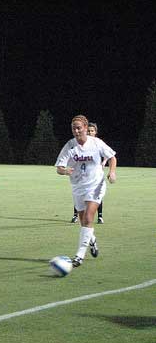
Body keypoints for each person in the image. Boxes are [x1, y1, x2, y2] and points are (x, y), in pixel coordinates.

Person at [55, 115, 117, 268]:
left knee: (89, 217)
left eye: (79, 128)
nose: (76, 131)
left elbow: (112, 157)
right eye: (73, 128)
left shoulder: (96, 143)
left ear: (85, 127)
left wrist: (112, 172)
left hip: (96, 185)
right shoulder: (70, 146)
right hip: (77, 187)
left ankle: (79, 256)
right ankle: (92, 240)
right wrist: (64, 171)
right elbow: (59, 168)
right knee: (84, 221)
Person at [71, 122, 107, 224]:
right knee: (79, 193)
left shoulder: (98, 143)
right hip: (82, 174)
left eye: (92, 131)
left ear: (95, 132)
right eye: (89, 130)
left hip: (95, 174)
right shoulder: (81, 143)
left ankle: (100, 216)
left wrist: (104, 162)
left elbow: (108, 154)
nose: (90, 132)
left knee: (97, 194)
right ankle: (75, 215)